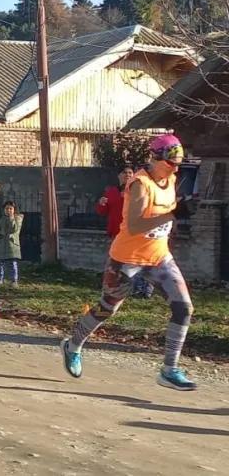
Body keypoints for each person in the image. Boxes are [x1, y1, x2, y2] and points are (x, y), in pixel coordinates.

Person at [61, 134, 199, 391]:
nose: (176, 168)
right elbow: (135, 226)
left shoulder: (170, 178)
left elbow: (164, 215)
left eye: (179, 162)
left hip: (159, 257)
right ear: (154, 158)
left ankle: (169, 370)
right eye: (171, 162)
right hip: (127, 259)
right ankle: (73, 346)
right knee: (107, 309)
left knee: (184, 308)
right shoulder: (140, 184)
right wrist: (173, 213)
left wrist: (181, 209)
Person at [98, 165, 154, 298]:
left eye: (130, 173)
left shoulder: (138, 189)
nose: (128, 175)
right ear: (119, 176)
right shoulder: (111, 192)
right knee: (116, 261)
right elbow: (103, 212)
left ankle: (143, 289)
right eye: (124, 173)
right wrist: (102, 203)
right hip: (117, 233)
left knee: (137, 261)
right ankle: (115, 288)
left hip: (134, 233)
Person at [0, 201, 23, 287]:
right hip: (2, 244)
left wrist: (11, 219)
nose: (8, 210)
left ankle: (14, 281)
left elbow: (15, 229)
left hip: (12, 245)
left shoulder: (18, 219)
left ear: (14, 210)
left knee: (13, 264)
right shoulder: (2, 219)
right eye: (6, 209)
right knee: (0, 264)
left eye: (10, 208)